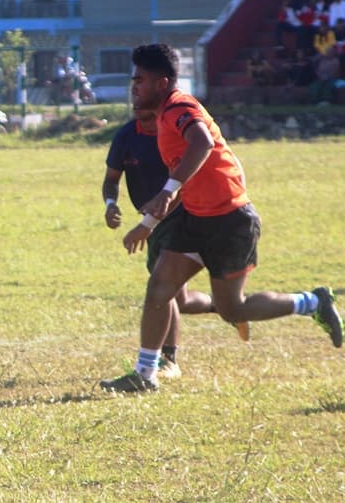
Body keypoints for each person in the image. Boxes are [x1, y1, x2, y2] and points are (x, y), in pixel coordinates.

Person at [99, 44, 345, 394]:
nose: (134, 87)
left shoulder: (180, 106)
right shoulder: (161, 123)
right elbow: (184, 183)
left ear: (163, 82)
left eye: (140, 80)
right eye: (133, 80)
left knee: (234, 308)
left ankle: (313, 302)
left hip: (230, 221)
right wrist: (147, 225)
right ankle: (145, 374)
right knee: (160, 287)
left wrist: (167, 190)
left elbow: (201, 143)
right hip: (194, 219)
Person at [102, 109, 249, 380]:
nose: (138, 104)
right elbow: (111, 180)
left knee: (161, 287)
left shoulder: (175, 135)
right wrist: (111, 204)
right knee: (177, 297)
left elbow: (185, 183)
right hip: (152, 220)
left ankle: (167, 359)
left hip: (180, 217)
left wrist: (149, 223)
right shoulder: (125, 135)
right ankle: (225, 307)